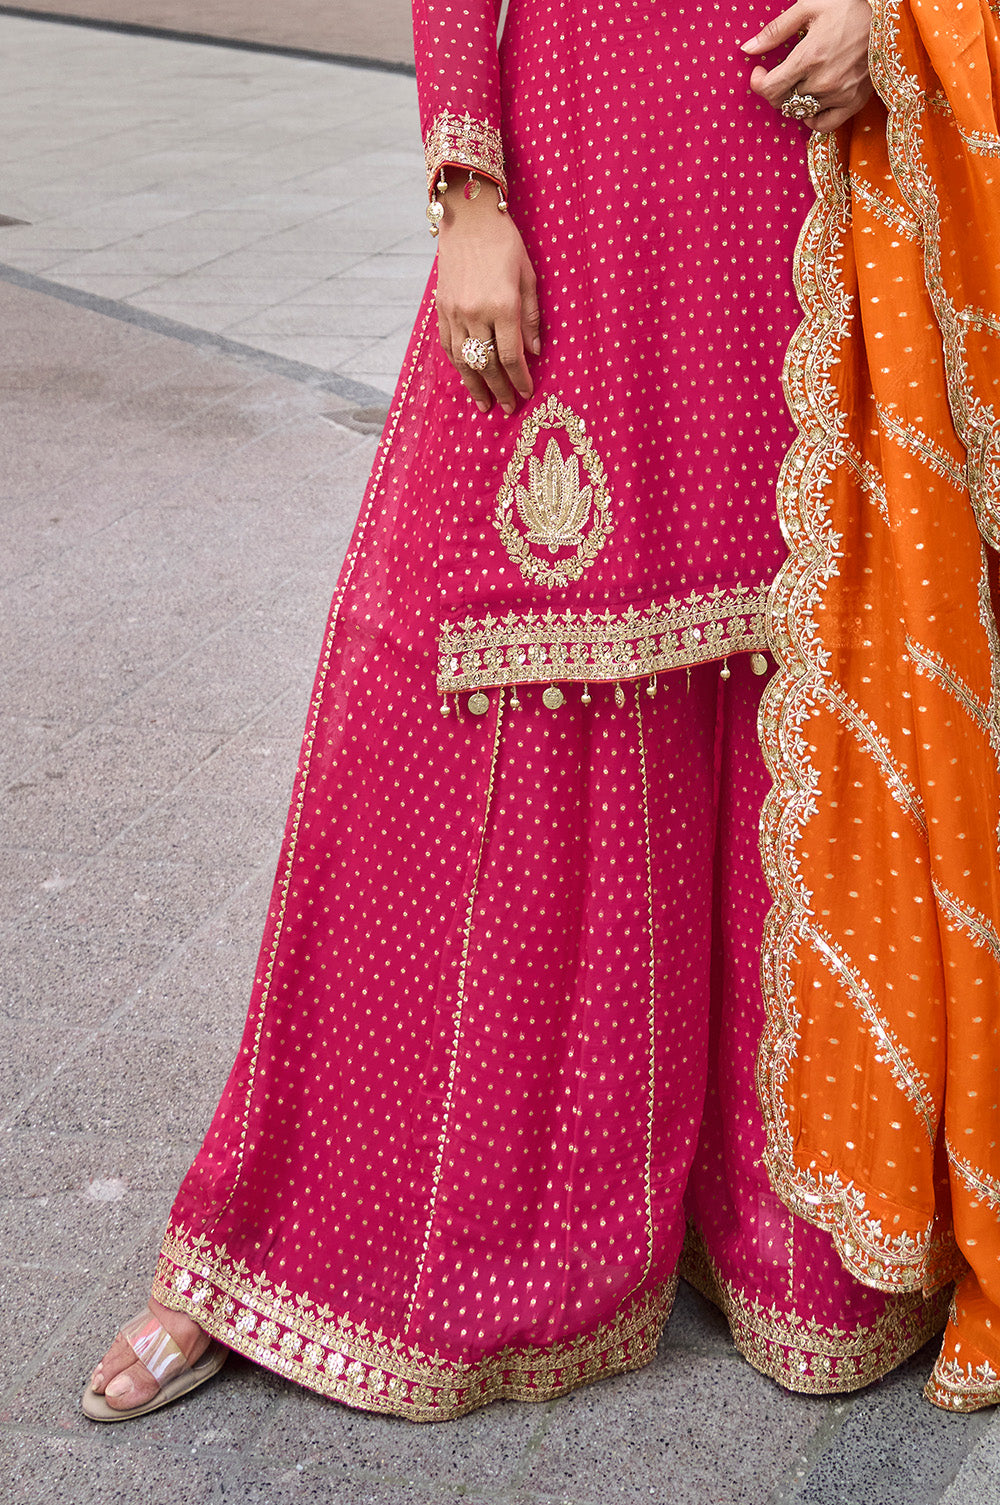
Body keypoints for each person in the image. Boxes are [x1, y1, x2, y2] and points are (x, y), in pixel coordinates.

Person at [83, 0, 1000, 1423]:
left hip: (815, 199)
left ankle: (784, 1218)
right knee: (455, 674)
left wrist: (891, 13)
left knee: (799, 681)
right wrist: (469, 194)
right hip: (579, 176)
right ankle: (295, 1236)